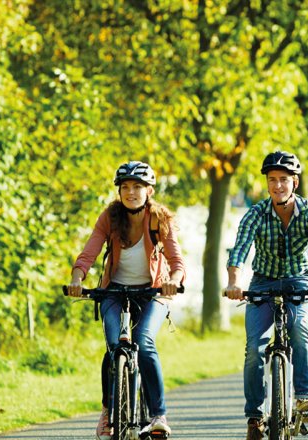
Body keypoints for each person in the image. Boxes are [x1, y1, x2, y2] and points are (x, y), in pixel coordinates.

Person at [66, 161, 185, 440]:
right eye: (125, 187)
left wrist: (174, 281)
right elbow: (89, 253)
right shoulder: (110, 217)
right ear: (119, 191)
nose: (131, 192)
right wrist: (76, 279)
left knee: (144, 342)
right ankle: (109, 411)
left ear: (150, 191)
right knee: (112, 346)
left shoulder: (160, 219)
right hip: (114, 291)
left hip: (153, 291)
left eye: (137, 187)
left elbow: (176, 261)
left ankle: (158, 415)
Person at [223, 150, 308, 440]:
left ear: (294, 183)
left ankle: (303, 397)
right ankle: (254, 418)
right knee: (254, 349)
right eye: (272, 180)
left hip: (301, 279)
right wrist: (234, 283)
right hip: (262, 281)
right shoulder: (256, 214)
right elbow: (240, 250)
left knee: (298, 328)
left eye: (284, 180)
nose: (277, 186)